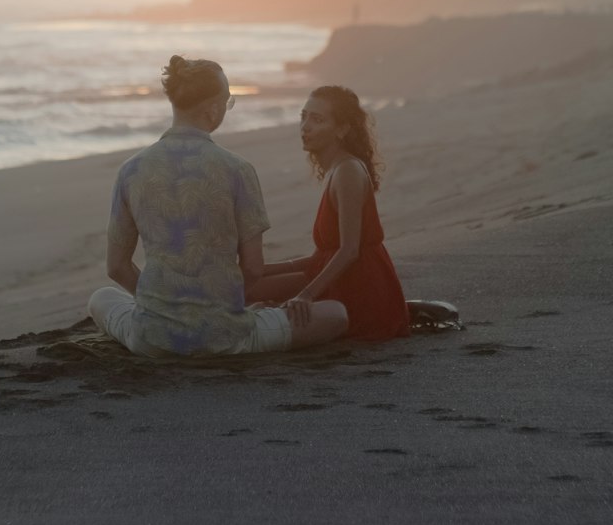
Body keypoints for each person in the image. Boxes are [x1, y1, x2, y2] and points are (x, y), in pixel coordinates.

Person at [88, 55, 348, 358]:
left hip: (152, 339)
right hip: (226, 336)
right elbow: (252, 267)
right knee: (336, 314)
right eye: (228, 102)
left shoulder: (131, 170)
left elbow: (116, 267)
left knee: (102, 297)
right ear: (212, 109)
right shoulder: (237, 170)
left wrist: (160, 309)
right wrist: (232, 307)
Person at [252, 85, 410, 341]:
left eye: (317, 119)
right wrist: (263, 269)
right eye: (303, 116)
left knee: (251, 293)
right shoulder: (336, 168)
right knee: (250, 285)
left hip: (360, 287)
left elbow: (349, 251)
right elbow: (323, 255)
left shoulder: (347, 171)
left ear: (342, 129)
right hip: (337, 274)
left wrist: (306, 295)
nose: (305, 127)